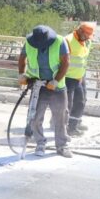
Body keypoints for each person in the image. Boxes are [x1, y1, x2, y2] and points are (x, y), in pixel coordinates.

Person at [18, 25, 71, 157]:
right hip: (38, 85)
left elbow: (66, 63)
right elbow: (21, 58)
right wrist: (21, 74)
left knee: (60, 117)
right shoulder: (29, 43)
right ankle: (40, 143)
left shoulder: (59, 41)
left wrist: (55, 81)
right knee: (35, 117)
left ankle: (62, 146)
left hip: (57, 87)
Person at [64, 22, 95, 137]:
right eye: (86, 35)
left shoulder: (87, 42)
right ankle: (62, 128)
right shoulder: (67, 40)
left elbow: (83, 59)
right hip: (67, 78)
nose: (88, 38)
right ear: (80, 31)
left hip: (79, 77)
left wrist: (82, 76)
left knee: (80, 102)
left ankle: (72, 127)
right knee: (67, 104)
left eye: (89, 36)